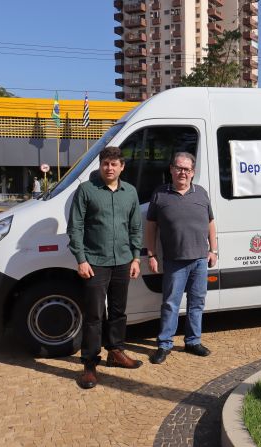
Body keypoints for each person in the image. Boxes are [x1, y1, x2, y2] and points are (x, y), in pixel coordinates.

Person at [67, 146, 143, 390]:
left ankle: (116, 352)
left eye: (114, 164)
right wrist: (81, 259)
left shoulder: (130, 192)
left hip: (122, 261)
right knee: (94, 315)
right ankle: (89, 365)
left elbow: (135, 228)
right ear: (100, 166)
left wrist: (135, 258)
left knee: (119, 312)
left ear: (122, 167)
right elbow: (75, 227)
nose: (109, 168)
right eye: (105, 164)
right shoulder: (86, 191)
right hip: (94, 263)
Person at [145, 152, 217, 364]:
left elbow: (211, 223)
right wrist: (152, 254)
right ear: (171, 169)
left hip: (200, 260)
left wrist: (214, 250)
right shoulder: (160, 194)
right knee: (170, 303)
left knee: (197, 302)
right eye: (179, 168)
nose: (182, 172)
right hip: (174, 261)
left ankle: (193, 341)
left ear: (193, 173)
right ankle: (164, 344)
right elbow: (151, 227)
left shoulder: (201, 193)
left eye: (187, 169)